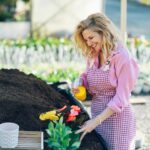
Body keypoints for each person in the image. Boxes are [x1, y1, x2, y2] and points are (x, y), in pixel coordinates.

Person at [72, 13, 139, 150]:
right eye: (86, 40)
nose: (89, 43)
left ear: (104, 33)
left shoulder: (123, 58)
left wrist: (94, 122)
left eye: (91, 38)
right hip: (97, 116)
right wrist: (80, 82)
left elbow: (121, 98)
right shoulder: (93, 54)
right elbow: (88, 76)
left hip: (118, 121)